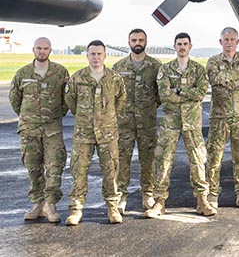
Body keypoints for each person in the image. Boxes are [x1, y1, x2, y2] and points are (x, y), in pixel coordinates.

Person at [145, 33, 216, 218]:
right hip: (171, 123)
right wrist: (187, 93)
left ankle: (202, 200)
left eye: (185, 44)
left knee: (198, 161)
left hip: (192, 124)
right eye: (179, 44)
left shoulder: (199, 70)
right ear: (174, 46)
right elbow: (164, 94)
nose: (182, 47)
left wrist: (177, 89)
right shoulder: (165, 69)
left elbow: (200, 93)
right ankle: (159, 202)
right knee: (164, 161)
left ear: (190, 46)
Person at [63, 40, 126, 225]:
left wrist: (106, 118)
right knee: (79, 170)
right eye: (92, 53)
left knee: (111, 171)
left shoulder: (115, 79)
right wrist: (85, 117)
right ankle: (76, 209)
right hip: (84, 133)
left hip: (108, 134)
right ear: (87, 55)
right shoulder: (77, 78)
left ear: (105, 55)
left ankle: (112, 207)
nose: (96, 57)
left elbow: (120, 101)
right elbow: (70, 101)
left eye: (99, 53)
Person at [9, 37, 69, 223]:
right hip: (29, 129)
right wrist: (29, 116)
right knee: (33, 167)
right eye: (39, 48)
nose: (42, 51)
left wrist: (55, 115)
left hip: (52, 129)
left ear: (50, 50)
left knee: (54, 167)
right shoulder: (22, 73)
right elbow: (15, 99)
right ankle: (37, 203)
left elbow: (67, 99)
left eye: (45, 48)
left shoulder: (60, 72)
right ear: (33, 49)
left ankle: (51, 204)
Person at [205, 28, 239, 209]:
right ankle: (212, 195)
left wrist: (228, 79)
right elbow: (214, 78)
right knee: (214, 157)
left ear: (237, 42)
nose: (229, 42)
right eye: (226, 39)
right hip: (219, 116)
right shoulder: (213, 61)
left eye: (232, 39)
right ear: (221, 42)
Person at [111, 28, 162, 214]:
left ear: (146, 42)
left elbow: (160, 95)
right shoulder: (118, 67)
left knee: (147, 159)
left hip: (147, 122)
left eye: (141, 40)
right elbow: (114, 94)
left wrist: (146, 109)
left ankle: (147, 193)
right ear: (128, 42)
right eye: (134, 40)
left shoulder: (155, 66)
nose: (137, 43)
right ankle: (121, 196)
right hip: (124, 123)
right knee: (122, 159)